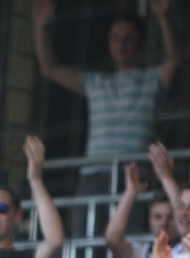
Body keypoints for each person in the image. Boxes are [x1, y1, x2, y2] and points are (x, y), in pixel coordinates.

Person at [33, 0, 181, 233]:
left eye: (129, 38)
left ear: (141, 44)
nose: (121, 44)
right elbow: (50, 69)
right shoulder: (95, 82)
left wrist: (163, 18)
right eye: (115, 37)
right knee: (84, 236)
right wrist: (39, 25)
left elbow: (174, 60)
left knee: (128, 240)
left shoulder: (153, 81)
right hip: (91, 175)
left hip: (132, 176)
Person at [105, 151, 179, 258]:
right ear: (149, 220)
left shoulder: (186, 251)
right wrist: (131, 192)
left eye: (170, 217)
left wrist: (166, 177)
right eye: (157, 216)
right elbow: (112, 239)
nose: (164, 223)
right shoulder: (138, 253)